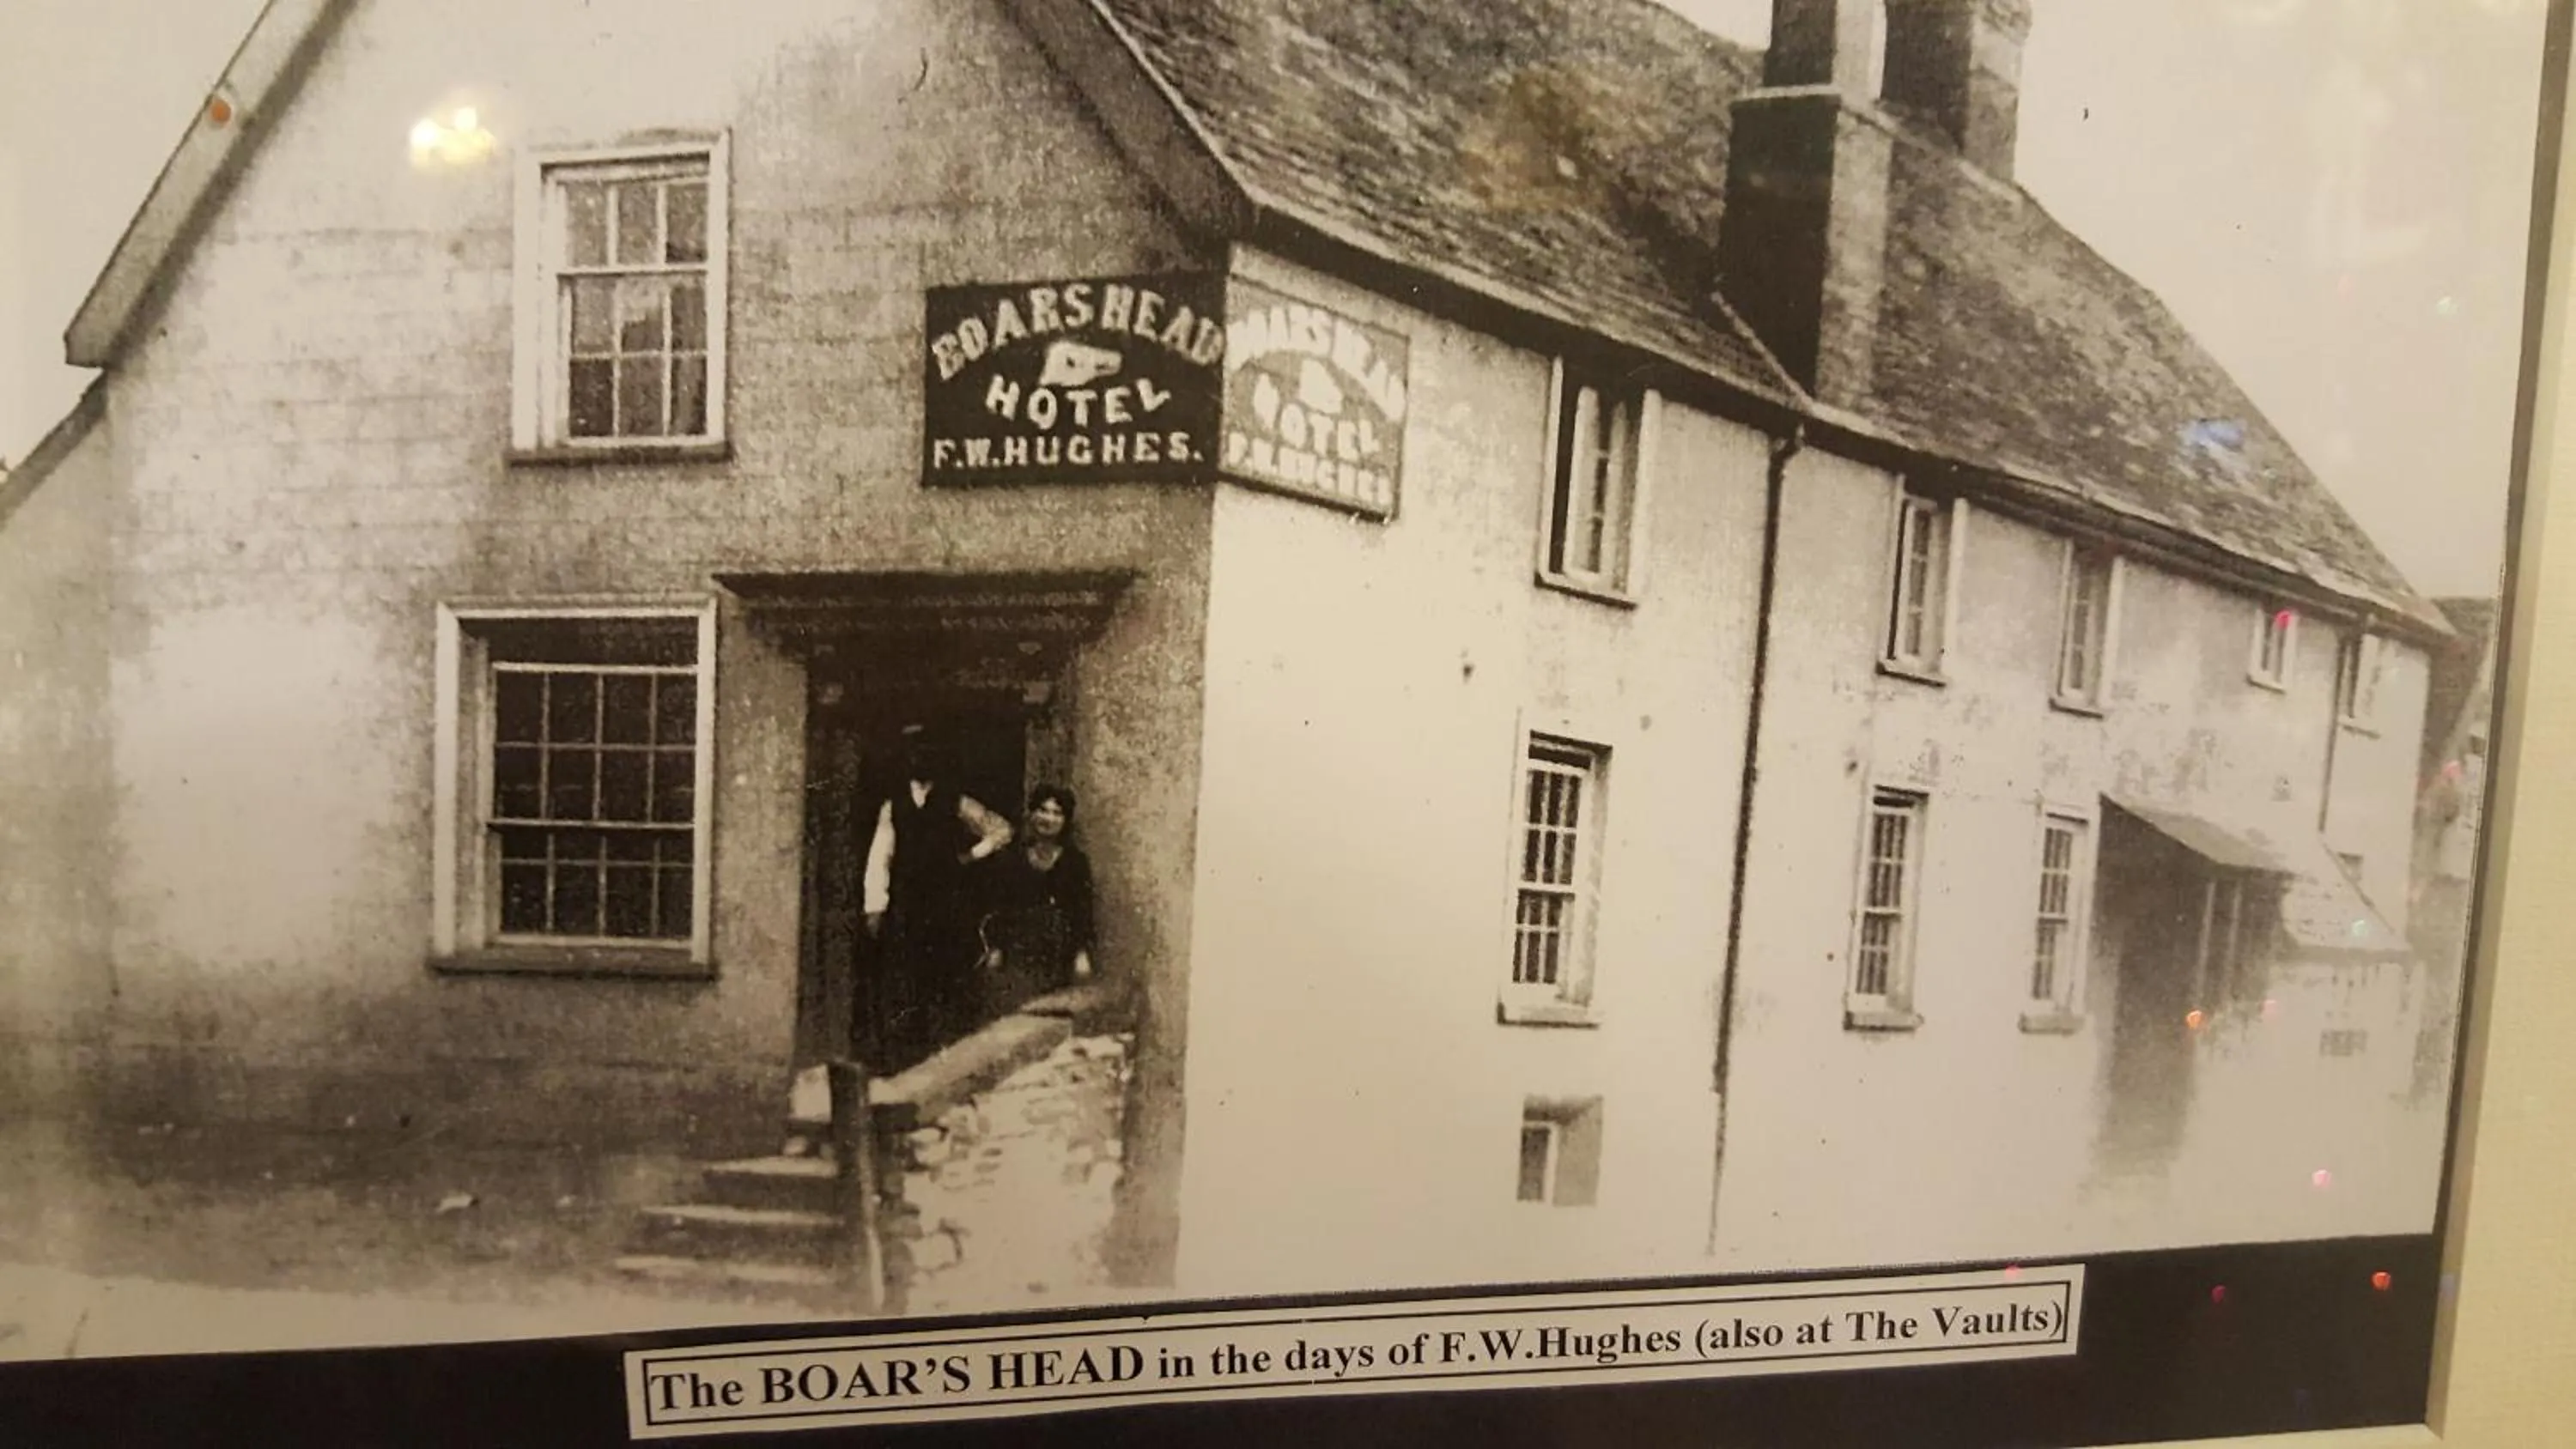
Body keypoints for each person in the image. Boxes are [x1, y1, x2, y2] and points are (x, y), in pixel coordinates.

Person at [860, 724, 1012, 1069]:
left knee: (944, 974)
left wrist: (971, 856)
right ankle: (903, 1058)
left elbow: (1002, 830)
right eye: (915, 751)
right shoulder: (893, 805)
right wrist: (875, 906)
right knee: (903, 976)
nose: (921, 758)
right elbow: (880, 855)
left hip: (946, 902)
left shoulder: (957, 801)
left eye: (928, 751)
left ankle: (943, 1056)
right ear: (907, 757)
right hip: (906, 903)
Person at [975, 785, 1098, 1020]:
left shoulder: (1075, 862)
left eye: (1056, 813)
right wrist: (997, 948)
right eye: (1042, 810)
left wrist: (1081, 954)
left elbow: (1082, 910)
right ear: (1031, 814)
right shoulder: (1014, 859)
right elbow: (1001, 907)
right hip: (1020, 951)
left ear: (1065, 820)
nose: (1048, 818)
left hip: (1058, 952)